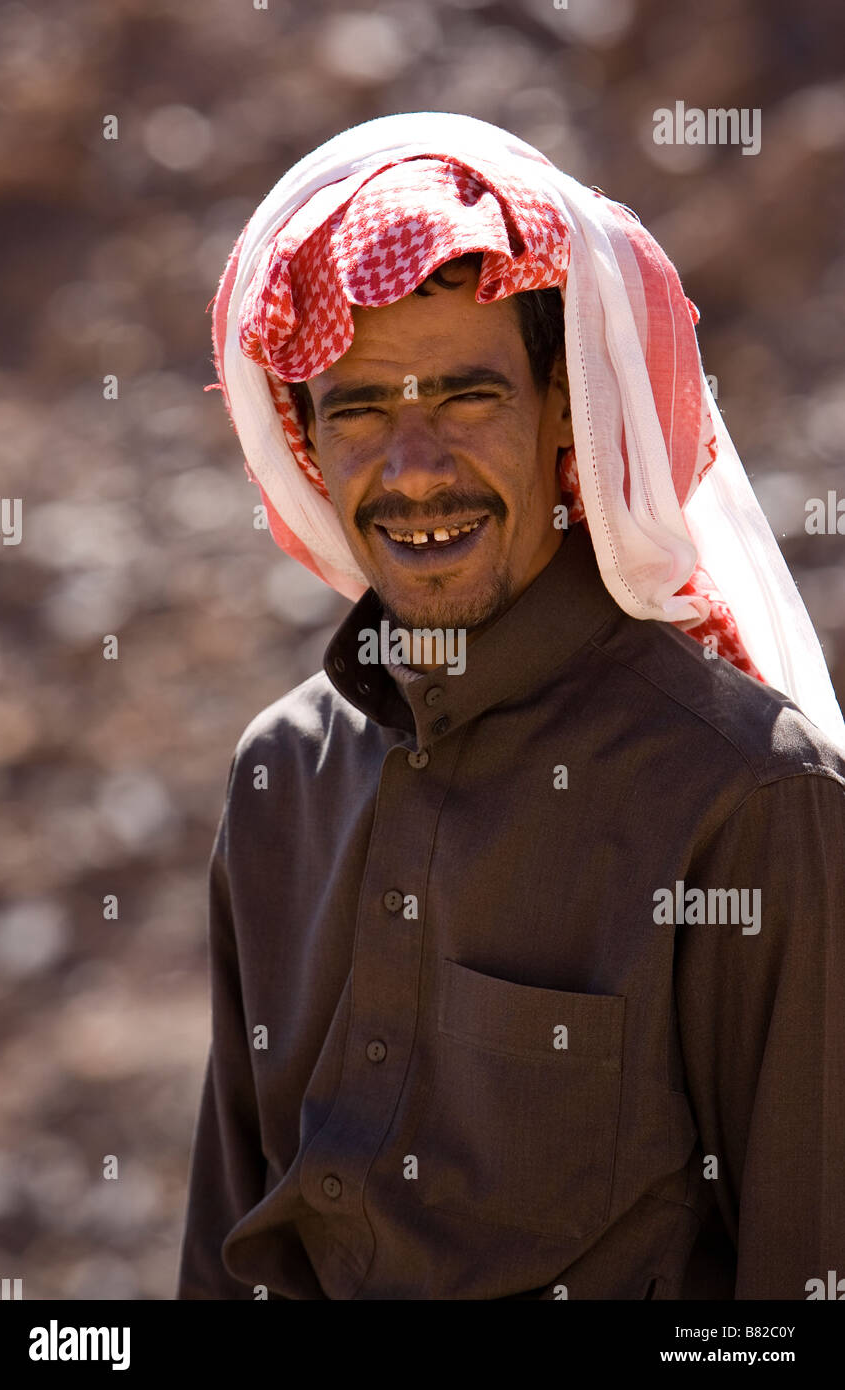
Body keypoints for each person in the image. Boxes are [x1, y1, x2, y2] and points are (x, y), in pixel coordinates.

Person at [176, 112, 845, 1300]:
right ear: (308, 443)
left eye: (468, 399)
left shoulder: (745, 797)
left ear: (564, 424)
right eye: (362, 408)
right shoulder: (280, 774)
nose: (415, 467)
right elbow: (228, 1241)